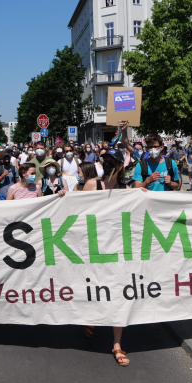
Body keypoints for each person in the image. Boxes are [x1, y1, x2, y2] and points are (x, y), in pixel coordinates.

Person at [80, 150, 138, 366]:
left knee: (119, 293)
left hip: (118, 248)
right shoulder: (92, 185)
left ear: (120, 166)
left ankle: (117, 344)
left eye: (111, 161)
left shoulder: (126, 190)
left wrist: (144, 194)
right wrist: (63, 197)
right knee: (95, 286)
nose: (107, 164)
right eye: (104, 161)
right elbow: (75, 210)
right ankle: (91, 317)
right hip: (93, 247)